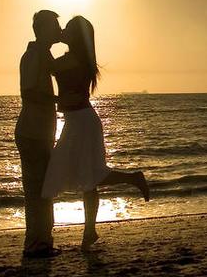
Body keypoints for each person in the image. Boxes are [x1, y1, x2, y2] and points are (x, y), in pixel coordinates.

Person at [42, 15, 150, 251]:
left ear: (76, 36)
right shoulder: (77, 58)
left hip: (82, 122)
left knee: (88, 175)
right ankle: (90, 231)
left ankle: (133, 179)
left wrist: (47, 40)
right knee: (88, 178)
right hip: (78, 121)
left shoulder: (73, 60)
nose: (63, 31)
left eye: (67, 29)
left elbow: (49, 67)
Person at [15, 9, 62, 258]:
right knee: (36, 191)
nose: (58, 30)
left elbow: (62, 69)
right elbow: (29, 92)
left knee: (43, 188)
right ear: (43, 29)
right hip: (33, 132)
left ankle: (43, 241)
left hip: (40, 132)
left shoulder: (43, 53)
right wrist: (58, 99)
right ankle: (35, 244)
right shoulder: (34, 55)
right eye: (55, 26)